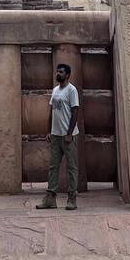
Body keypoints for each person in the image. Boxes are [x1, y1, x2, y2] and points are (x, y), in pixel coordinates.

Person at [36, 62, 81, 210]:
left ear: (67, 75)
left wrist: (69, 133)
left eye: (61, 72)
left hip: (68, 136)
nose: (58, 74)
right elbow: (52, 112)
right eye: (57, 71)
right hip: (55, 135)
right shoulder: (55, 90)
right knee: (53, 167)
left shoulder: (71, 90)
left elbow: (75, 112)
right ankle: (50, 199)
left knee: (71, 167)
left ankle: (72, 199)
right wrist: (49, 131)